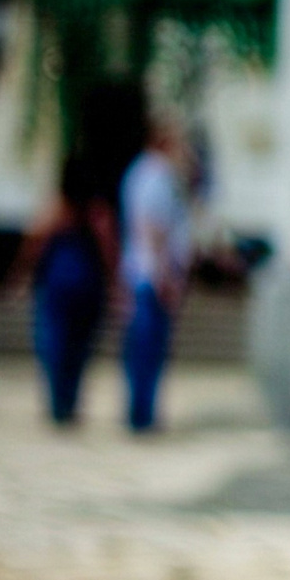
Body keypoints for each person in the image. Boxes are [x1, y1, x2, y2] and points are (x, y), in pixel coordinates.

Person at [11, 151, 118, 426]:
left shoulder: (58, 207)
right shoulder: (96, 210)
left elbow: (34, 243)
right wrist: (114, 282)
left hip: (57, 284)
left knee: (54, 343)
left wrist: (21, 275)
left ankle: (60, 402)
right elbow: (108, 248)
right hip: (87, 283)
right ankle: (69, 400)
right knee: (79, 346)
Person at [117, 112, 193, 433]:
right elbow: (156, 227)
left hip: (141, 272)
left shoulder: (138, 172)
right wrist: (167, 275)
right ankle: (142, 414)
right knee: (149, 349)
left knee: (141, 348)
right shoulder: (157, 174)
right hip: (153, 275)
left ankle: (140, 411)